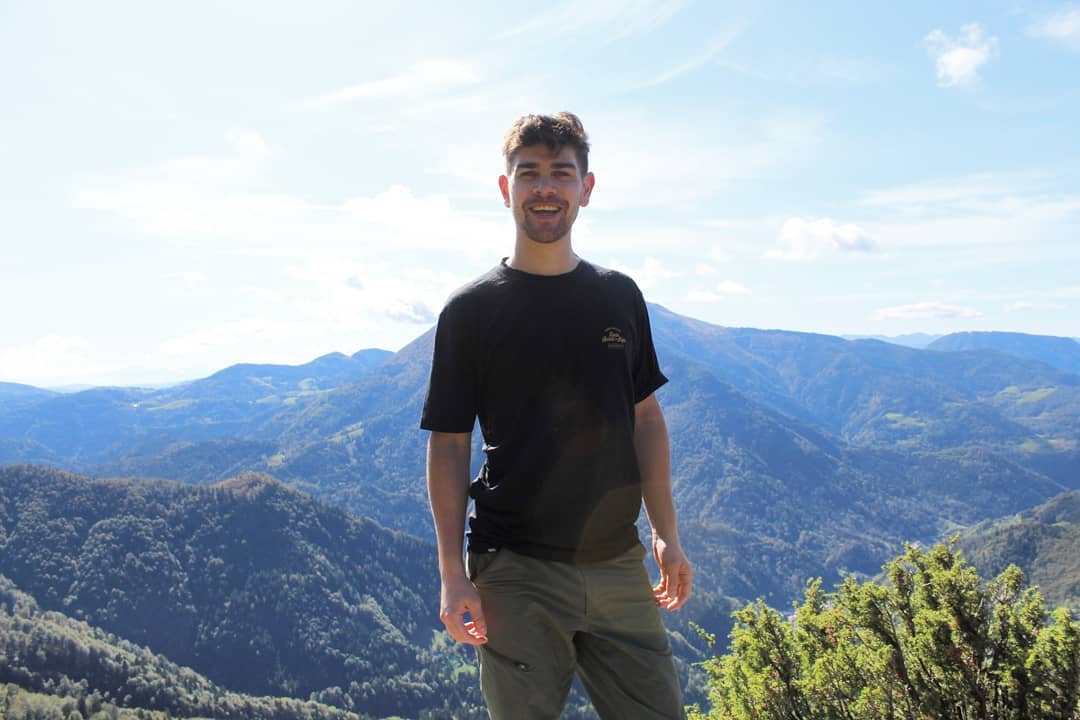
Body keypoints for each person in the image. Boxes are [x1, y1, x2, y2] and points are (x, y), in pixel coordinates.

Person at [421, 112, 692, 719]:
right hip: (515, 570)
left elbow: (646, 419)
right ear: (505, 188)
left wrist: (667, 534)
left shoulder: (619, 296)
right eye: (530, 173)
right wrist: (451, 573)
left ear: (586, 189)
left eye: (561, 174)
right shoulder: (470, 311)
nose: (546, 187)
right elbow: (448, 443)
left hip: (619, 565)